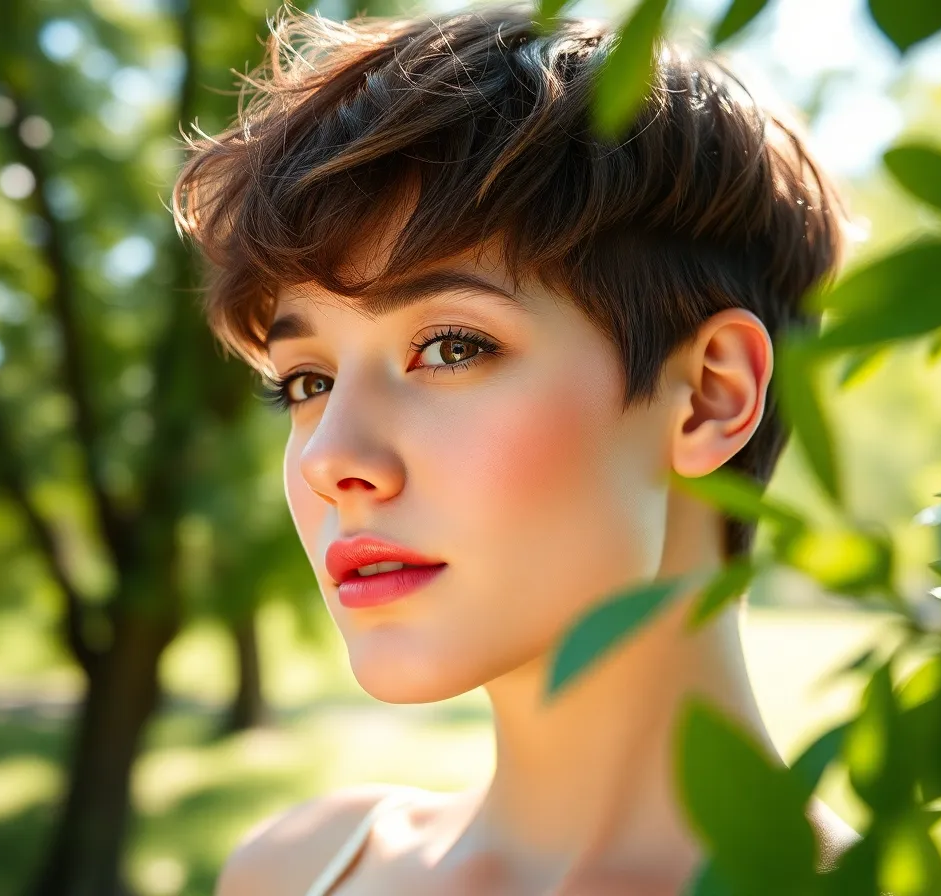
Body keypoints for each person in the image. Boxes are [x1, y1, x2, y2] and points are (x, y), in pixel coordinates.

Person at [171, 2, 859, 892]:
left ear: (708, 397)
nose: (326, 459)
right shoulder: (294, 869)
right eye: (308, 381)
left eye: (452, 347)